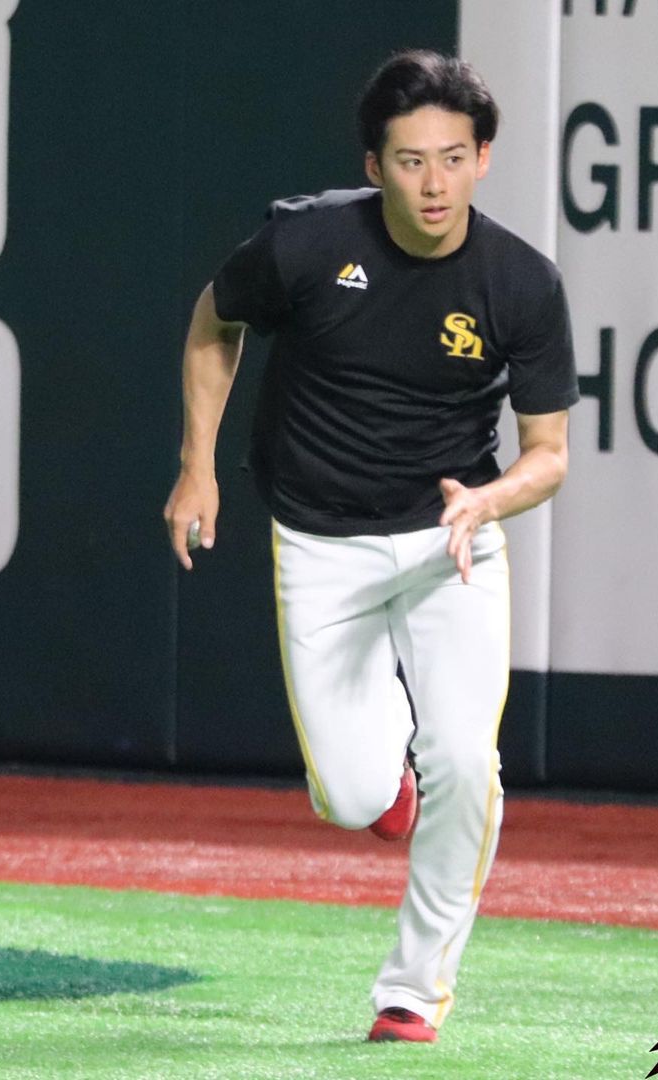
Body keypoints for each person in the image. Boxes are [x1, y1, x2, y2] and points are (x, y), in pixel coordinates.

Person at [164, 49, 578, 1043]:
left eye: (453, 158)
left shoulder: (522, 282)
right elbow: (215, 321)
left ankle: (413, 990)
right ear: (373, 164)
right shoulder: (307, 246)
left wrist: (489, 500)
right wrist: (196, 465)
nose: (434, 184)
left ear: (483, 158)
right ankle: (384, 779)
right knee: (351, 797)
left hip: (450, 544)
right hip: (322, 544)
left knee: (466, 764)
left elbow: (549, 455)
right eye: (410, 161)